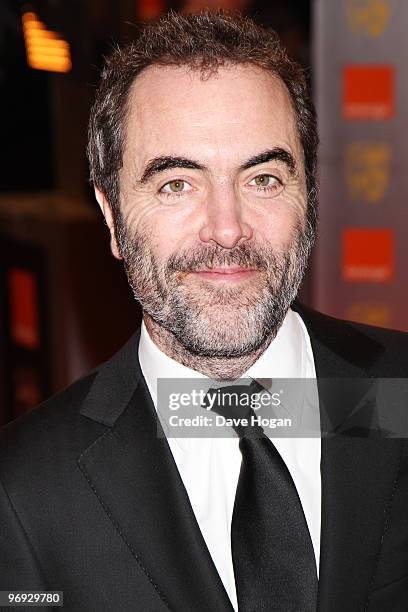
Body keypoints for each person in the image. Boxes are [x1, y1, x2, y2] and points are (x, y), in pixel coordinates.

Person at [1, 10, 408, 612]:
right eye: (176, 184)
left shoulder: (397, 392)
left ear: (310, 200)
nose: (227, 228)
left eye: (263, 178)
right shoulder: (23, 489)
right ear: (112, 216)